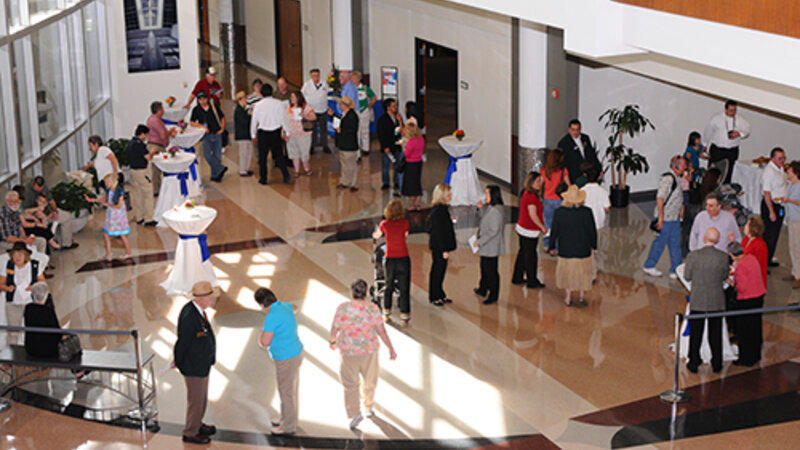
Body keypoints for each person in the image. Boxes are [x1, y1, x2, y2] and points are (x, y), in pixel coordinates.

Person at [329, 279, 397, 429]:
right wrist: (391, 348)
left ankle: (354, 413)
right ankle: (368, 407)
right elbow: (381, 331)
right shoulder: (372, 308)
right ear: (365, 293)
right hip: (369, 351)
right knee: (370, 380)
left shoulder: (343, 308)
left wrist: (333, 341)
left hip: (348, 351)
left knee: (350, 384)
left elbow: (335, 329)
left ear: (351, 292)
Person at [173, 281, 218, 444]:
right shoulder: (189, 317)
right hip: (193, 366)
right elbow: (182, 342)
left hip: (202, 364)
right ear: (200, 299)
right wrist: (179, 362)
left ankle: (198, 423)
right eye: (209, 298)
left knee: (202, 398)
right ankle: (190, 431)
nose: (211, 300)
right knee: (196, 400)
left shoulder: (198, 312)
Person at [254, 287, 304, 436]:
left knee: (286, 392)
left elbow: (265, 342)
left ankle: (288, 426)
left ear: (262, 305)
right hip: (296, 352)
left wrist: (261, 337)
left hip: (286, 358)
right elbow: (295, 308)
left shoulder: (271, 317)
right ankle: (287, 418)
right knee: (291, 389)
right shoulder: (284, 305)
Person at [683, 227, 730, 373]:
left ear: (704, 238)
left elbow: (687, 276)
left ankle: (694, 362)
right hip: (716, 300)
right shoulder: (723, 257)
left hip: (698, 298)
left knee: (696, 333)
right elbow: (724, 275)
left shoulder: (693, 256)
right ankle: (717, 363)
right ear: (717, 240)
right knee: (715, 333)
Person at [548, 185, 597, 306]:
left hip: (566, 249)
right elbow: (592, 231)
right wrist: (594, 245)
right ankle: (581, 296)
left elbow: (554, 232)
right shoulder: (587, 212)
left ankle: (568, 297)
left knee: (567, 274)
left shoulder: (559, 213)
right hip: (583, 249)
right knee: (583, 274)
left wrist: (552, 247)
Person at [643, 156, 687, 279]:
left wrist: (680, 212)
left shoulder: (678, 178)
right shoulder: (668, 179)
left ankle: (676, 269)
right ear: (676, 166)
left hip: (674, 218)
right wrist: (661, 219)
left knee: (675, 244)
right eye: (684, 166)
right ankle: (649, 265)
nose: (685, 168)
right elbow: (660, 198)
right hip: (666, 218)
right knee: (660, 243)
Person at [727, 241, 766, 367]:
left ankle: (746, 359)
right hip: (758, 296)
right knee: (755, 328)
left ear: (732, 254)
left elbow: (742, 287)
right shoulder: (751, 258)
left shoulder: (741, 266)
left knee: (745, 331)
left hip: (747, 300)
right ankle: (756, 355)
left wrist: (730, 282)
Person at [373, 199, 411, 326]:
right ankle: (404, 317)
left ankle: (386, 313)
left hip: (390, 259)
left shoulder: (384, 224)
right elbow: (405, 236)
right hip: (403, 257)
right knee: (404, 288)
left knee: (388, 286)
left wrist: (374, 234)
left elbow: (377, 235)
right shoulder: (405, 223)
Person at [1, 243, 46, 345]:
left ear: (25, 255)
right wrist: (7, 288)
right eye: (14, 255)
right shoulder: (9, 266)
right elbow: (1, 284)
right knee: (13, 332)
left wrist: (34, 286)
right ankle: (11, 356)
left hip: (30, 303)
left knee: (32, 330)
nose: (17, 258)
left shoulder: (34, 265)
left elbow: (43, 283)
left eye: (20, 255)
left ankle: (31, 353)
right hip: (13, 304)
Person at [251, 84, 291, 185]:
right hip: (275, 132)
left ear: (261, 93)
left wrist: (253, 135)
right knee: (279, 156)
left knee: (262, 158)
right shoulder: (278, 103)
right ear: (272, 92)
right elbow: (284, 118)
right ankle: (286, 176)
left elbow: (254, 121)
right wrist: (287, 131)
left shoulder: (258, 105)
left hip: (263, 133)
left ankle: (263, 179)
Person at [512, 172, 547, 289]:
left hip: (522, 227)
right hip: (529, 229)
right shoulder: (532, 197)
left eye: (540, 181)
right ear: (531, 182)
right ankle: (532, 281)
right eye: (538, 181)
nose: (540, 183)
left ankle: (517, 277)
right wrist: (542, 227)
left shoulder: (526, 193)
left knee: (523, 252)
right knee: (531, 256)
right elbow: (533, 215)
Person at [703, 99, 751, 184]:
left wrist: (739, 133)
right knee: (713, 173)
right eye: (731, 110)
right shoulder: (716, 118)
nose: (733, 113)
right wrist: (705, 144)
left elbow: (747, 131)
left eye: (735, 110)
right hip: (718, 150)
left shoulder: (740, 119)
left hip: (732, 151)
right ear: (725, 109)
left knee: (728, 174)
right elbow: (708, 132)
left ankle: (724, 194)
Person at [23, 176, 77, 249]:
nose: (40, 190)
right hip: (37, 215)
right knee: (49, 222)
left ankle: (65, 243)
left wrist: (54, 212)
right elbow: (25, 212)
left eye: (41, 188)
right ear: (33, 183)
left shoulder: (43, 187)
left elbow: (51, 200)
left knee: (66, 216)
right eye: (38, 188)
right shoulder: (26, 192)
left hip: (48, 211)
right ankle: (61, 243)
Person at [425, 184, 457, 306]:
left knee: (440, 270)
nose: (451, 196)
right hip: (440, 247)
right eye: (448, 194)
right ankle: (434, 296)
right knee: (438, 270)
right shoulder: (439, 211)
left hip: (438, 245)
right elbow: (439, 232)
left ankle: (440, 293)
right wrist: (444, 249)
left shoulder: (441, 209)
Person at [474, 185, 505, 305]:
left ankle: (493, 295)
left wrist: (479, 242)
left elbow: (493, 231)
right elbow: (485, 219)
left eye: (487, 194)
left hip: (490, 247)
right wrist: (481, 209)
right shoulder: (492, 208)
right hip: (488, 246)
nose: (485, 196)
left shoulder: (496, 211)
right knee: (484, 269)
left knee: (491, 271)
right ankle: (483, 289)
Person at [92, 173, 132, 261]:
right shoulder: (108, 189)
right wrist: (92, 200)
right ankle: (109, 254)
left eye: (107, 182)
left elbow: (118, 206)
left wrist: (106, 204)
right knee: (106, 233)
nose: (106, 184)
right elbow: (103, 200)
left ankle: (126, 253)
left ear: (112, 181)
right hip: (111, 214)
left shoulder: (119, 191)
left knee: (122, 234)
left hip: (118, 215)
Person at [580, 163, 609, 281]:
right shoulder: (602, 191)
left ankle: (588, 269)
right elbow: (607, 208)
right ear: (598, 177)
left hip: (585, 224)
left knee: (587, 247)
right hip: (598, 223)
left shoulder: (582, 190)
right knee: (596, 246)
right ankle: (594, 270)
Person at [190, 91, 228, 183]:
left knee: (217, 155)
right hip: (206, 136)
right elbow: (192, 122)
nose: (202, 101)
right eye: (200, 99)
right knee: (207, 155)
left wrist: (222, 128)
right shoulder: (196, 109)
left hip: (217, 134)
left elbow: (222, 117)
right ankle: (220, 168)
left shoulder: (214, 107)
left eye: (204, 98)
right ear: (198, 100)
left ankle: (215, 175)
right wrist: (202, 126)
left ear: (207, 99)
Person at [127, 124, 158, 226]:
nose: (146, 137)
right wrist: (153, 153)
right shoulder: (140, 144)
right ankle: (148, 219)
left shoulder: (130, 143)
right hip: (142, 172)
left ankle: (139, 217)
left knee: (138, 195)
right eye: (146, 135)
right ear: (143, 134)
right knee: (148, 194)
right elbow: (148, 157)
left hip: (133, 171)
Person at [761, 147, 787, 267]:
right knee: (768, 235)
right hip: (770, 205)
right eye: (780, 158)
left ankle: (769, 258)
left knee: (776, 234)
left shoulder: (780, 168)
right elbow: (767, 193)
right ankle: (763, 262)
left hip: (780, 204)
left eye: (784, 158)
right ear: (773, 158)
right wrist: (771, 211)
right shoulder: (769, 172)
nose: (783, 160)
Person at [24, 282, 62, 358]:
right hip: (48, 350)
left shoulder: (28, 308)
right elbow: (57, 332)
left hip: (31, 348)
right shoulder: (48, 311)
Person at [146, 101, 177, 194]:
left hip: (158, 146)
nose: (163, 111)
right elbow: (163, 135)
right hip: (156, 146)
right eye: (162, 108)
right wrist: (171, 130)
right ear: (159, 110)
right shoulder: (155, 121)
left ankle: (160, 189)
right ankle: (157, 190)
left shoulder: (155, 119)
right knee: (156, 169)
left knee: (159, 169)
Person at [284, 91, 316, 177]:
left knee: (304, 152)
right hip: (291, 133)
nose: (292, 99)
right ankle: (296, 170)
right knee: (294, 153)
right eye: (291, 97)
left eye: (294, 97)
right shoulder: (288, 108)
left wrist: (304, 115)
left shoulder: (305, 107)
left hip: (303, 134)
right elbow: (285, 121)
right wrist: (284, 132)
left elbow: (314, 117)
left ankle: (306, 169)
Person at [557, 119, 601, 183]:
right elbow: (563, 163)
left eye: (577, 130)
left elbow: (592, 154)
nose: (575, 132)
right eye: (573, 130)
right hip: (574, 176)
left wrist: (598, 169)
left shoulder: (585, 138)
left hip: (588, 174)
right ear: (569, 130)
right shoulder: (563, 143)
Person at [542, 148, 570, 248]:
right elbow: (569, 185)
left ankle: (547, 244)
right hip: (559, 199)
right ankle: (557, 246)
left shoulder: (544, 170)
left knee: (548, 222)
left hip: (547, 199)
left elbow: (541, 183)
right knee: (559, 223)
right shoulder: (563, 171)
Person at [377, 98, 404, 192]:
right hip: (387, 146)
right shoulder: (382, 119)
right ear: (388, 107)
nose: (395, 108)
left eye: (396, 105)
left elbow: (401, 131)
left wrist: (400, 121)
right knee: (386, 165)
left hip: (397, 145)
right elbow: (381, 134)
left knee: (397, 165)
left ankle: (396, 181)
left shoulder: (397, 118)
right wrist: (385, 146)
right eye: (393, 106)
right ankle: (386, 182)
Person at [301, 69, 331, 153]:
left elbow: (327, 93)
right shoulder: (307, 85)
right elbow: (302, 95)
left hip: (323, 110)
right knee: (312, 129)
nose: (316, 77)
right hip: (312, 111)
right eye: (314, 76)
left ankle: (325, 145)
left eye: (317, 75)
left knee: (323, 129)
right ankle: (312, 146)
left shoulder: (324, 83)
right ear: (311, 76)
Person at [334, 96, 360, 191]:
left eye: (341, 104)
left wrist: (341, 130)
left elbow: (352, 130)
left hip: (350, 144)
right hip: (343, 143)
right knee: (344, 164)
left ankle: (354, 183)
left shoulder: (352, 116)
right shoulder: (344, 114)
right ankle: (345, 181)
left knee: (351, 164)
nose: (340, 105)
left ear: (345, 105)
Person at [351, 71, 376, 156]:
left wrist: (370, 105)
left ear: (359, 79)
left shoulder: (364, 88)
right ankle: (357, 149)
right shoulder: (351, 88)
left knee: (365, 130)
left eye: (355, 78)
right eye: (352, 78)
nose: (353, 80)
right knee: (356, 131)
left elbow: (374, 97)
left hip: (364, 110)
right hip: (355, 111)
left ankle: (366, 148)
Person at [784, 161, 800, 289]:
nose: (787, 171)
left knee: (798, 247)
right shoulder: (790, 185)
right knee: (792, 246)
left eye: (789, 170)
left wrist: (790, 201)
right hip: (791, 218)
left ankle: (799, 276)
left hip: (798, 220)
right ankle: (795, 272)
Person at [402, 122, 425, 211]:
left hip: (411, 163)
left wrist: (404, 147)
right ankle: (418, 203)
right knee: (417, 182)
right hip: (418, 162)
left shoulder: (411, 142)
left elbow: (407, 154)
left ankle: (412, 204)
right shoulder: (421, 139)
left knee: (411, 184)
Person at [741, 216, 768, 286]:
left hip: (755, 281)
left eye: (747, 225)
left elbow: (757, 266)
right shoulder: (746, 239)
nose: (744, 226)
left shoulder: (760, 245)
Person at [234, 91, 254, 176]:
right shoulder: (238, 110)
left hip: (247, 135)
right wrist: (250, 116)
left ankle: (246, 168)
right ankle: (242, 170)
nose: (246, 100)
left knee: (249, 152)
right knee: (243, 153)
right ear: (239, 100)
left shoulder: (243, 110)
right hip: (242, 135)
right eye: (245, 98)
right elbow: (243, 121)